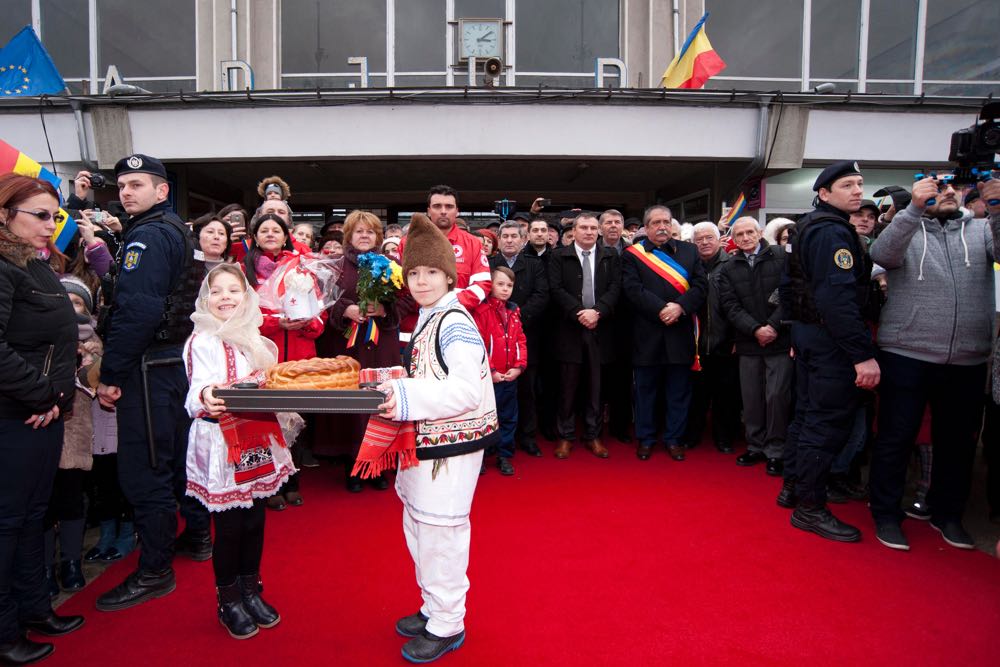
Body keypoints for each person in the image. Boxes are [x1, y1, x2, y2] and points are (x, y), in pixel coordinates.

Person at [371, 213, 499, 664]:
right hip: (428, 443)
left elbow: (464, 391)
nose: (422, 281)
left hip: (449, 445)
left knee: (440, 533)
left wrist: (403, 396)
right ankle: (432, 606)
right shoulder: (431, 314)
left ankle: (447, 622)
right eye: (415, 272)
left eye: (432, 273)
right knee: (420, 526)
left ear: (449, 276)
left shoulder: (455, 322)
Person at [95, 154, 212, 611]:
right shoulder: (170, 231)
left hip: (150, 366)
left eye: (137, 184)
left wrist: (110, 374)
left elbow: (138, 311)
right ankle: (197, 538)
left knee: (146, 470)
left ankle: (155, 570)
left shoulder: (148, 236)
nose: (126, 192)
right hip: (171, 364)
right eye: (122, 185)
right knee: (179, 460)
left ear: (162, 191)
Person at [867, 174, 996, 551]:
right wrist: (912, 209)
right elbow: (883, 254)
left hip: (968, 357)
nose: (948, 193)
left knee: (956, 444)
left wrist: (998, 207)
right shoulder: (906, 228)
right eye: (939, 188)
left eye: (952, 188)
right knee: (895, 437)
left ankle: (947, 514)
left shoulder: (983, 229)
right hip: (907, 353)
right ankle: (887, 513)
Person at [183, 264, 296, 639]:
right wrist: (207, 397)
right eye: (218, 291)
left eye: (234, 290)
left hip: (254, 434)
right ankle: (228, 598)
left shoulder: (252, 337)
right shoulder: (202, 339)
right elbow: (196, 391)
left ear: (247, 297)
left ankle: (251, 589)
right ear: (206, 297)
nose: (226, 297)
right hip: (221, 440)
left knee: (255, 520)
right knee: (230, 526)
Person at [0, 174, 84, 664]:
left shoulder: (37, 264)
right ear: (5, 214)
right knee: (8, 524)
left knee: (35, 517)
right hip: (16, 417)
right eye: (39, 215)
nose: (50, 226)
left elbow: (53, 343)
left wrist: (52, 398)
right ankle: (5, 630)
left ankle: (36, 607)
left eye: (55, 217)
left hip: (45, 412)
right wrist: (41, 395)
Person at [779, 160, 879, 543]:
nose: (857, 191)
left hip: (810, 337)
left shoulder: (808, 227)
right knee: (823, 424)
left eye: (859, 184)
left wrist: (795, 335)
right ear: (823, 193)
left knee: (805, 417)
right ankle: (810, 507)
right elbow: (837, 299)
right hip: (830, 343)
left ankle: (793, 487)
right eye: (848, 185)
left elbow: (789, 288)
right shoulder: (831, 233)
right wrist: (861, 354)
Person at [243, 213, 325, 510]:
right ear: (255, 236)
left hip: (301, 355)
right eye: (263, 230)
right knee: (266, 422)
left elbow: (319, 315)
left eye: (275, 230)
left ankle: (293, 482)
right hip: (265, 354)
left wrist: (305, 323)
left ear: (285, 235)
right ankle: (268, 484)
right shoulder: (246, 270)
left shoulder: (302, 268)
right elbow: (243, 318)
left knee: (298, 421)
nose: (270, 234)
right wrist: (278, 322)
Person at [320, 211, 399, 492]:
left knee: (379, 403)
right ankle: (353, 466)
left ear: (378, 237)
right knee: (352, 407)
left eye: (370, 231)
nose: (365, 236)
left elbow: (407, 302)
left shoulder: (392, 265)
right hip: (347, 346)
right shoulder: (334, 267)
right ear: (348, 236)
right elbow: (321, 303)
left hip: (381, 346)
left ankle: (377, 465)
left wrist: (385, 308)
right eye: (359, 231)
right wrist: (346, 310)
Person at [621, 205, 707, 461]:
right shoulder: (631, 255)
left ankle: (673, 439)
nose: (662, 227)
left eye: (666, 222)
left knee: (678, 391)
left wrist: (680, 307)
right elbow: (633, 290)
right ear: (646, 228)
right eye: (656, 222)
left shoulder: (690, 252)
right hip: (647, 333)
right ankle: (646, 438)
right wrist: (662, 310)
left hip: (680, 333)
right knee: (645, 392)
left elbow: (701, 286)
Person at [718, 217, 792, 476]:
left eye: (750, 232)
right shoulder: (728, 267)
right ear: (734, 239)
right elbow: (729, 305)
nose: (745, 237)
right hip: (748, 341)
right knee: (751, 398)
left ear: (760, 232)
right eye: (740, 234)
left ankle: (776, 450)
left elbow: (791, 294)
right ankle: (755, 446)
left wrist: (772, 326)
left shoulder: (782, 257)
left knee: (776, 397)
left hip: (779, 339)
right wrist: (755, 329)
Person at [548, 213, 621, 459]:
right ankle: (566, 436)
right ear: (574, 230)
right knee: (567, 386)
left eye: (593, 228)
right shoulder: (559, 256)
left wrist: (597, 312)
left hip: (601, 329)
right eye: (583, 228)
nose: (589, 232)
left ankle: (593, 434)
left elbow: (615, 288)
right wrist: (580, 313)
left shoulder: (611, 257)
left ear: (599, 231)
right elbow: (555, 288)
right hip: (569, 329)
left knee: (596, 387)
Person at [398, 186, 492, 336]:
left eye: (449, 206)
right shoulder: (406, 243)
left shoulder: (473, 243)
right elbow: (401, 286)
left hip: (458, 327)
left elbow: (483, 285)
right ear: (428, 211)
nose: (443, 211)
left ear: (457, 211)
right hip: (415, 329)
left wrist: (447, 304)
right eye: (437, 206)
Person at [489, 222, 548, 457]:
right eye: (505, 236)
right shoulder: (490, 264)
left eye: (515, 236)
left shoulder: (535, 265)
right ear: (499, 239)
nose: (510, 240)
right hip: (493, 338)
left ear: (524, 239)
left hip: (525, 335)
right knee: (495, 396)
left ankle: (527, 436)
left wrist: (515, 317)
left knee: (527, 390)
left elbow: (542, 294)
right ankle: (493, 442)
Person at [683, 221, 740, 453]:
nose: (704, 243)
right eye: (699, 239)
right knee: (696, 394)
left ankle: (724, 438)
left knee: (725, 395)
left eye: (709, 238)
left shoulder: (733, 264)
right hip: (695, 342)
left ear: (720, 240)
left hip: (726, 340)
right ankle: (693, 435)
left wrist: (737, 338)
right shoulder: (688, 266)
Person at [474, 266, 527, 476]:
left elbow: (520, 340)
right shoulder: (482, 311)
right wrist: (492, 371)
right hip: (489, 378)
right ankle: (481, 455)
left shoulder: (514, 310)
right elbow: (478, 344)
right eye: (500, 284)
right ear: (490, 285)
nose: (505, 289)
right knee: (484, 417)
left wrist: (518, 366)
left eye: (510, 285)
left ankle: (504, 454)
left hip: (509, 377)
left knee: (508, 417)